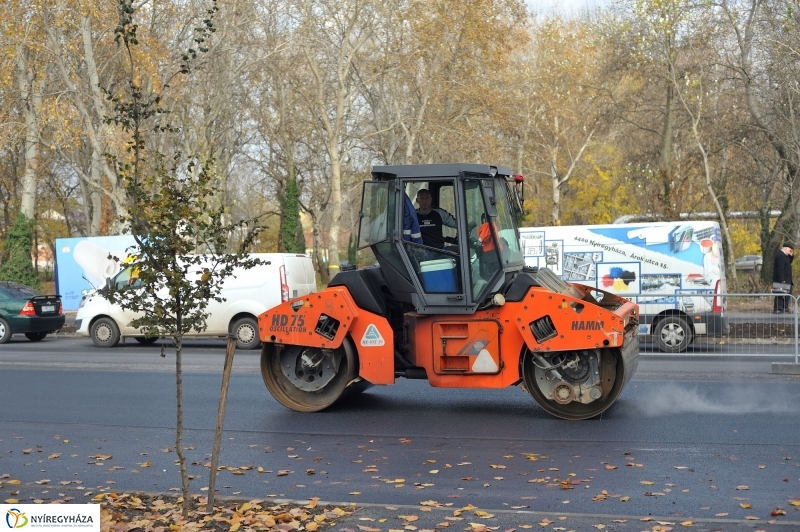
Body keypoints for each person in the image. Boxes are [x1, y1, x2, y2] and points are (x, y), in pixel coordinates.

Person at [772, 245, 794, 313]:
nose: (791, 251)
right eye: (790, 250)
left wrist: (791, 255)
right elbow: (780, 268)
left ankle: (785, 308)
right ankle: (778, 308)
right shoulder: (780, 255)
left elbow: (789, 262)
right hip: (781, 279)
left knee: (788, 294)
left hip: (787, 279)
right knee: (780, 294)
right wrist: (781, 279)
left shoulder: (785, 256)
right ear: (786, 248)